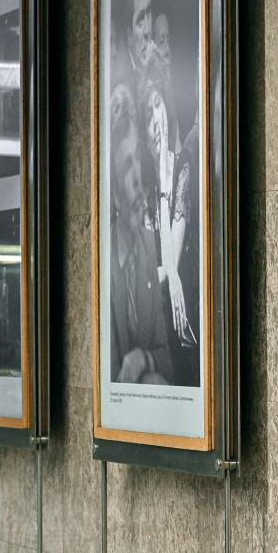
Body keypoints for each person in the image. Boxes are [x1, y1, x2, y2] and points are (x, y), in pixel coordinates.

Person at [109, 110, 174, 384]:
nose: (137, 176)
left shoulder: (148, 245)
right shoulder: (104, 261)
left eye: (137, 157)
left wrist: (143, 359)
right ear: (114, 194)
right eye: (127, 166)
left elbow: (167, 361)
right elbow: (113, 379)